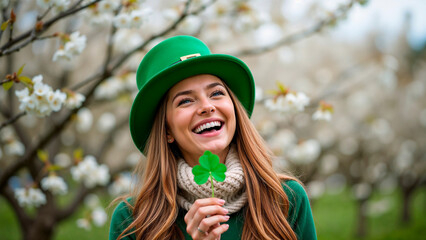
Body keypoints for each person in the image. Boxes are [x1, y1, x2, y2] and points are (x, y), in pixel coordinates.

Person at [109, 35, 317, 240]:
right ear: (166, 130)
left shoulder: (286, 199)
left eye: (216, 93)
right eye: (185, 101)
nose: (207, 106)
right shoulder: (132, 220)